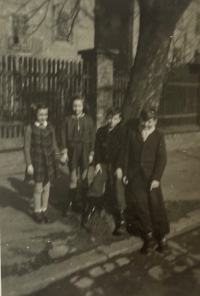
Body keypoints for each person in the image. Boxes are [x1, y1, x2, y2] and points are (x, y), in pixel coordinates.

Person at [123, 107, 170, 253]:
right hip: (136, 176)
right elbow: (126, 155)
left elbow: (162, 159)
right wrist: (126, 173)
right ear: (140, 120)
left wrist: (156, 178)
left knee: (155, 205)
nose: (146, 124)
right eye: (144, 121)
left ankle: (161, 237)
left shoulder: (158, 136)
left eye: (150, 121)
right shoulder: (133, 133)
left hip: (151, 177)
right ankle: (148, 235)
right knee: (140, 205)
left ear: (155, 121)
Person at [83, 107, 127, 235]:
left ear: (119, 120)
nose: (111, 121)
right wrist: (96, 163)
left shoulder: (122, 132)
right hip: (102, 164)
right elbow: (97, 149)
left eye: (114, 119)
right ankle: (87, 215)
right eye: (109, 117)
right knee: (95, 185)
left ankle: (121, 221)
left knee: (118, 189)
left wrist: (119, 167)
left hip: (115, 165)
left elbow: (123, 152)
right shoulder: (101, 131)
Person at [24, 102, 60, 224]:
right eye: (40, 115)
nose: (43, 117)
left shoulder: (50, 126)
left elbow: (54, 145)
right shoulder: (30, 128)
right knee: (38, 187)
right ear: (36, 115)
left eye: (45, 114)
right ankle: (37, 211)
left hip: (49, 160)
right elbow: (26, 147)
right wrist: (29, 164)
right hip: (37, 161)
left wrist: (58, 157)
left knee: (47, 186)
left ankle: (44, 209)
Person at [60, 95, 95, 216]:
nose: (76, 108)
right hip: (72, 150)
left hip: (85, 150)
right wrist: (64, 151)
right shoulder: (67, 119)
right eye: (74, 105)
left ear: (83, 106)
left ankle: (84, 203)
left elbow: (93, 137)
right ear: (71, 106)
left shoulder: (89, 120)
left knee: (84, 178)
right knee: (73, 177)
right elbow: (62, 136)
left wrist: (91, 153)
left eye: (79, 105)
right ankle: (71, 203)